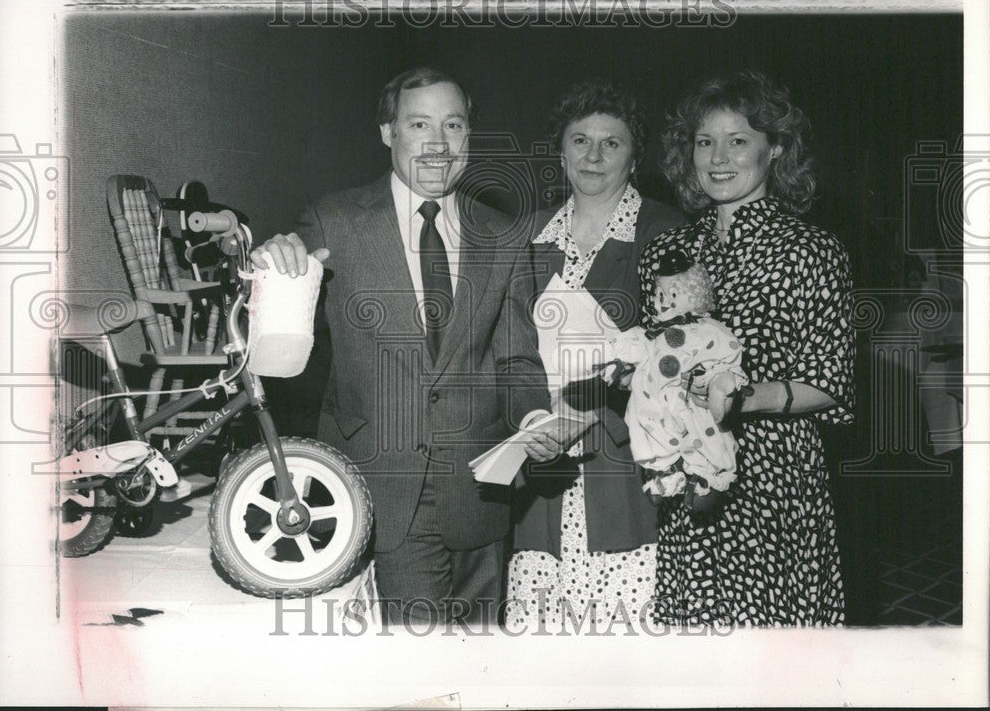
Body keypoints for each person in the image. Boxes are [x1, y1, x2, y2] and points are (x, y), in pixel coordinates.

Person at [251, 67, 564, 625]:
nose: (439, 144)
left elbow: (517, 357)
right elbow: (289, 260)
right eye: (419, 124)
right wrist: (277, 255)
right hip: (383, 487)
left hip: (482, 492)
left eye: (454, 125)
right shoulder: (337, 219)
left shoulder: (505, 234)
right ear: (388, 132)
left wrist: (536, 417)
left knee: (481, 671)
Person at [639, 70, 855, 625]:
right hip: (692, 485)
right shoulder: (667, 251)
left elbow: (830, 383)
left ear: (775, 148)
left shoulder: (811, 252)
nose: (718, 157)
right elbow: (649, 366)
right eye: (704, 141)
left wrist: (741, 398)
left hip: (775, 486)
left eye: (738, 140)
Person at [506, 80, 683, 629]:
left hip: (628, 466)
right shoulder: (528, 236)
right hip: (544, 465)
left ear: (635, 156)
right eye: (580, 140)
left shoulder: (665, 231)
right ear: (560, 151)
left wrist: (605, 392)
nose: (593, 155)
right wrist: (534, 418)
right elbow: (509, 350)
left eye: (612, 142)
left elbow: (682, 357)